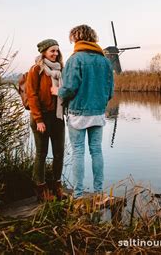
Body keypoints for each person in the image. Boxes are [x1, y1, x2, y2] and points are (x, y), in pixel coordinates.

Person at [55, 24, 114, 203]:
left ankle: (79, 195)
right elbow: (110, 91)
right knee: (96, 151)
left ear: (76, 38)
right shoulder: (105, 61)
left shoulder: (75, 59)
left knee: (78, 152)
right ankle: (98, 193)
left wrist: (57, 91)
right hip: (97, 112)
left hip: (78, 112)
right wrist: (100, 102)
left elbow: (69, 88)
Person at [26, 39, 66, 201]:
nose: (55, 54)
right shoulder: (36, 70)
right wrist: (38, 119)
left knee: (59, 153)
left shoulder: (61, 70)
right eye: (52, 51)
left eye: (57, 51)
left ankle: (57, 187)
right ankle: (41, 190)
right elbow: (32, 95)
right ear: (44, 52)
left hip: (57, 117)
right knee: (41, 153)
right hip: (41, 117)